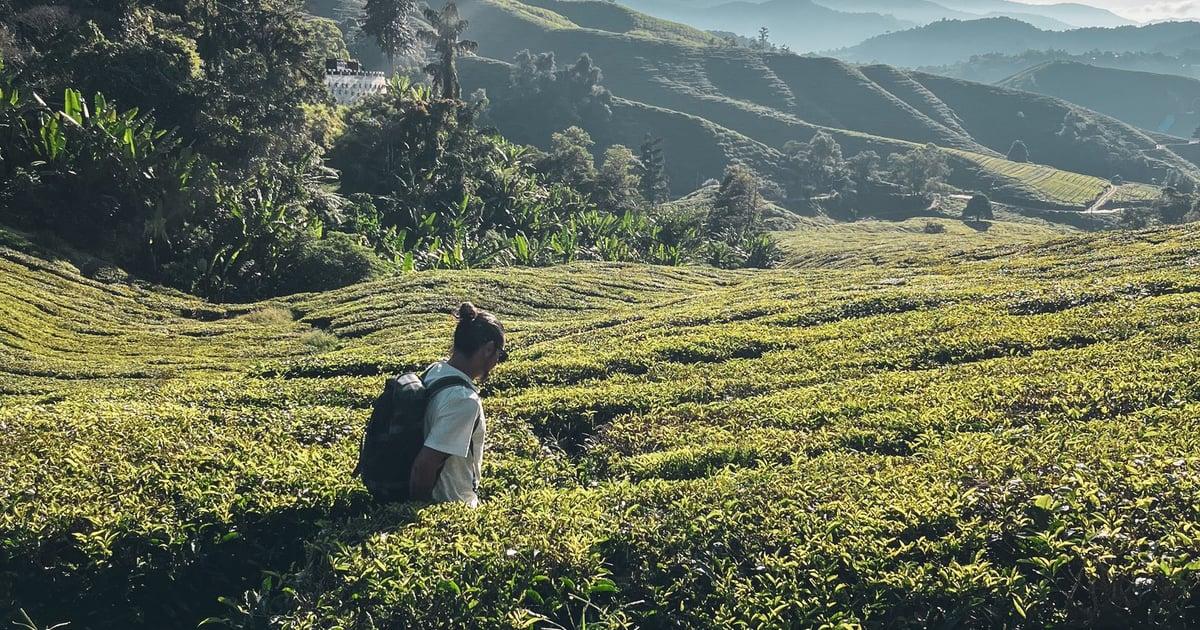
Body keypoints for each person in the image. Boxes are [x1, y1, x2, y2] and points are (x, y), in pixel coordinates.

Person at [408, 302, 506, 507]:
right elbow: (424, 466)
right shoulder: (463, 400)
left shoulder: (436, 370)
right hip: (450, 504)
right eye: (500, 354)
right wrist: (419, 512)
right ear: (489, 349)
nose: (498, 361)